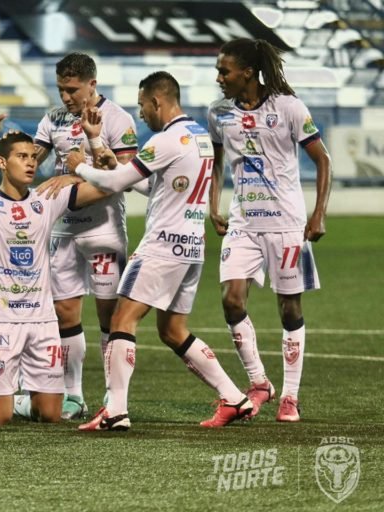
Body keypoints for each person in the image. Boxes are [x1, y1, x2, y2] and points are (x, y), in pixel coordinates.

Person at [63, 71, 253, 430]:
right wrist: (106, 155)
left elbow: (117, 183)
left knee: (122, 320)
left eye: (142, 106)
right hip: (191, 245)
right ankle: (234, 397)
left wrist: (81, 166)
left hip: (162, 245)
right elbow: (154, 185)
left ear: (157, 102)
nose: (141, 114)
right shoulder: (195, 135)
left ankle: (115, 411)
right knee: (173, 330)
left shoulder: (165, 139)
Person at [0, 96, 125, 425]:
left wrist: (81, 168)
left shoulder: (47, 198)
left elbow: (108, 188)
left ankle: (13, 397)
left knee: (51, 415)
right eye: (21, 157)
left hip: (42, 321)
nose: (31, 163)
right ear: (2, 163)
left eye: (32, 157)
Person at [208, 38, 332, 422]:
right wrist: (214, 206)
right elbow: (216, 163)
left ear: (247, 72)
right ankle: (259, 382)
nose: (219, 78)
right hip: (243, 223)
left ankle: (290, 397)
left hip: (286, 225)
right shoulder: (219, 113)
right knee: (232, 300)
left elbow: (322, 160)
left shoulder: (289, 108)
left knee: (289, 308)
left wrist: (318, 215)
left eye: (224, 71)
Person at [30, 52, 139, 419]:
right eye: (61, 89)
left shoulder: (118, 119)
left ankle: (114, 396)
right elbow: (31, 159)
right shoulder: (53, 118)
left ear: (92, 84)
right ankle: (73, 395)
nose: (66, 97)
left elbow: (126, 174)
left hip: (103, 230)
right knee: (64, 313)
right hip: (63, 229)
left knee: (109, 318)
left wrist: (76, 177)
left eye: (72, 90)